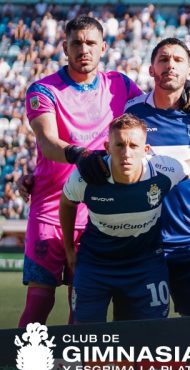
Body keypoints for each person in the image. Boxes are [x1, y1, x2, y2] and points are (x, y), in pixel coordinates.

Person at [20, 15, 144, 327]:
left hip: (97, 213)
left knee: (83, 303)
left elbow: (152, 117)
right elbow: (48, 142)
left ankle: (76, 361)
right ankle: (19, 359)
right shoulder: (43, 89)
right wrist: (82, 155)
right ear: (65, 47)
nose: (83, 49)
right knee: (39, 300)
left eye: (91, 43)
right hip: (50, 210)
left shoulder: (121, 85)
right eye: (76, 43)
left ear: (103, 47)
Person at [119, 38, 190, 317]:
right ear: (151, 69)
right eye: (163, 59)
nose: (170, 65)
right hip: (144, 244)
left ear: (189, 70)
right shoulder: (132, 113)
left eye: (178, 60)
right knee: (140, 329)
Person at [60, 114, 190, 323]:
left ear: (146, 150)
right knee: (86, 335)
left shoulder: (162, 171)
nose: (126, 153)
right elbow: (66, 203)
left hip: (145, 262)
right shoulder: (86, 177)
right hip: (96, 263)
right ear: (107, 147)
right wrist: (69, 248)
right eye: (119, 145)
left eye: (134, 146)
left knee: (147, 333)